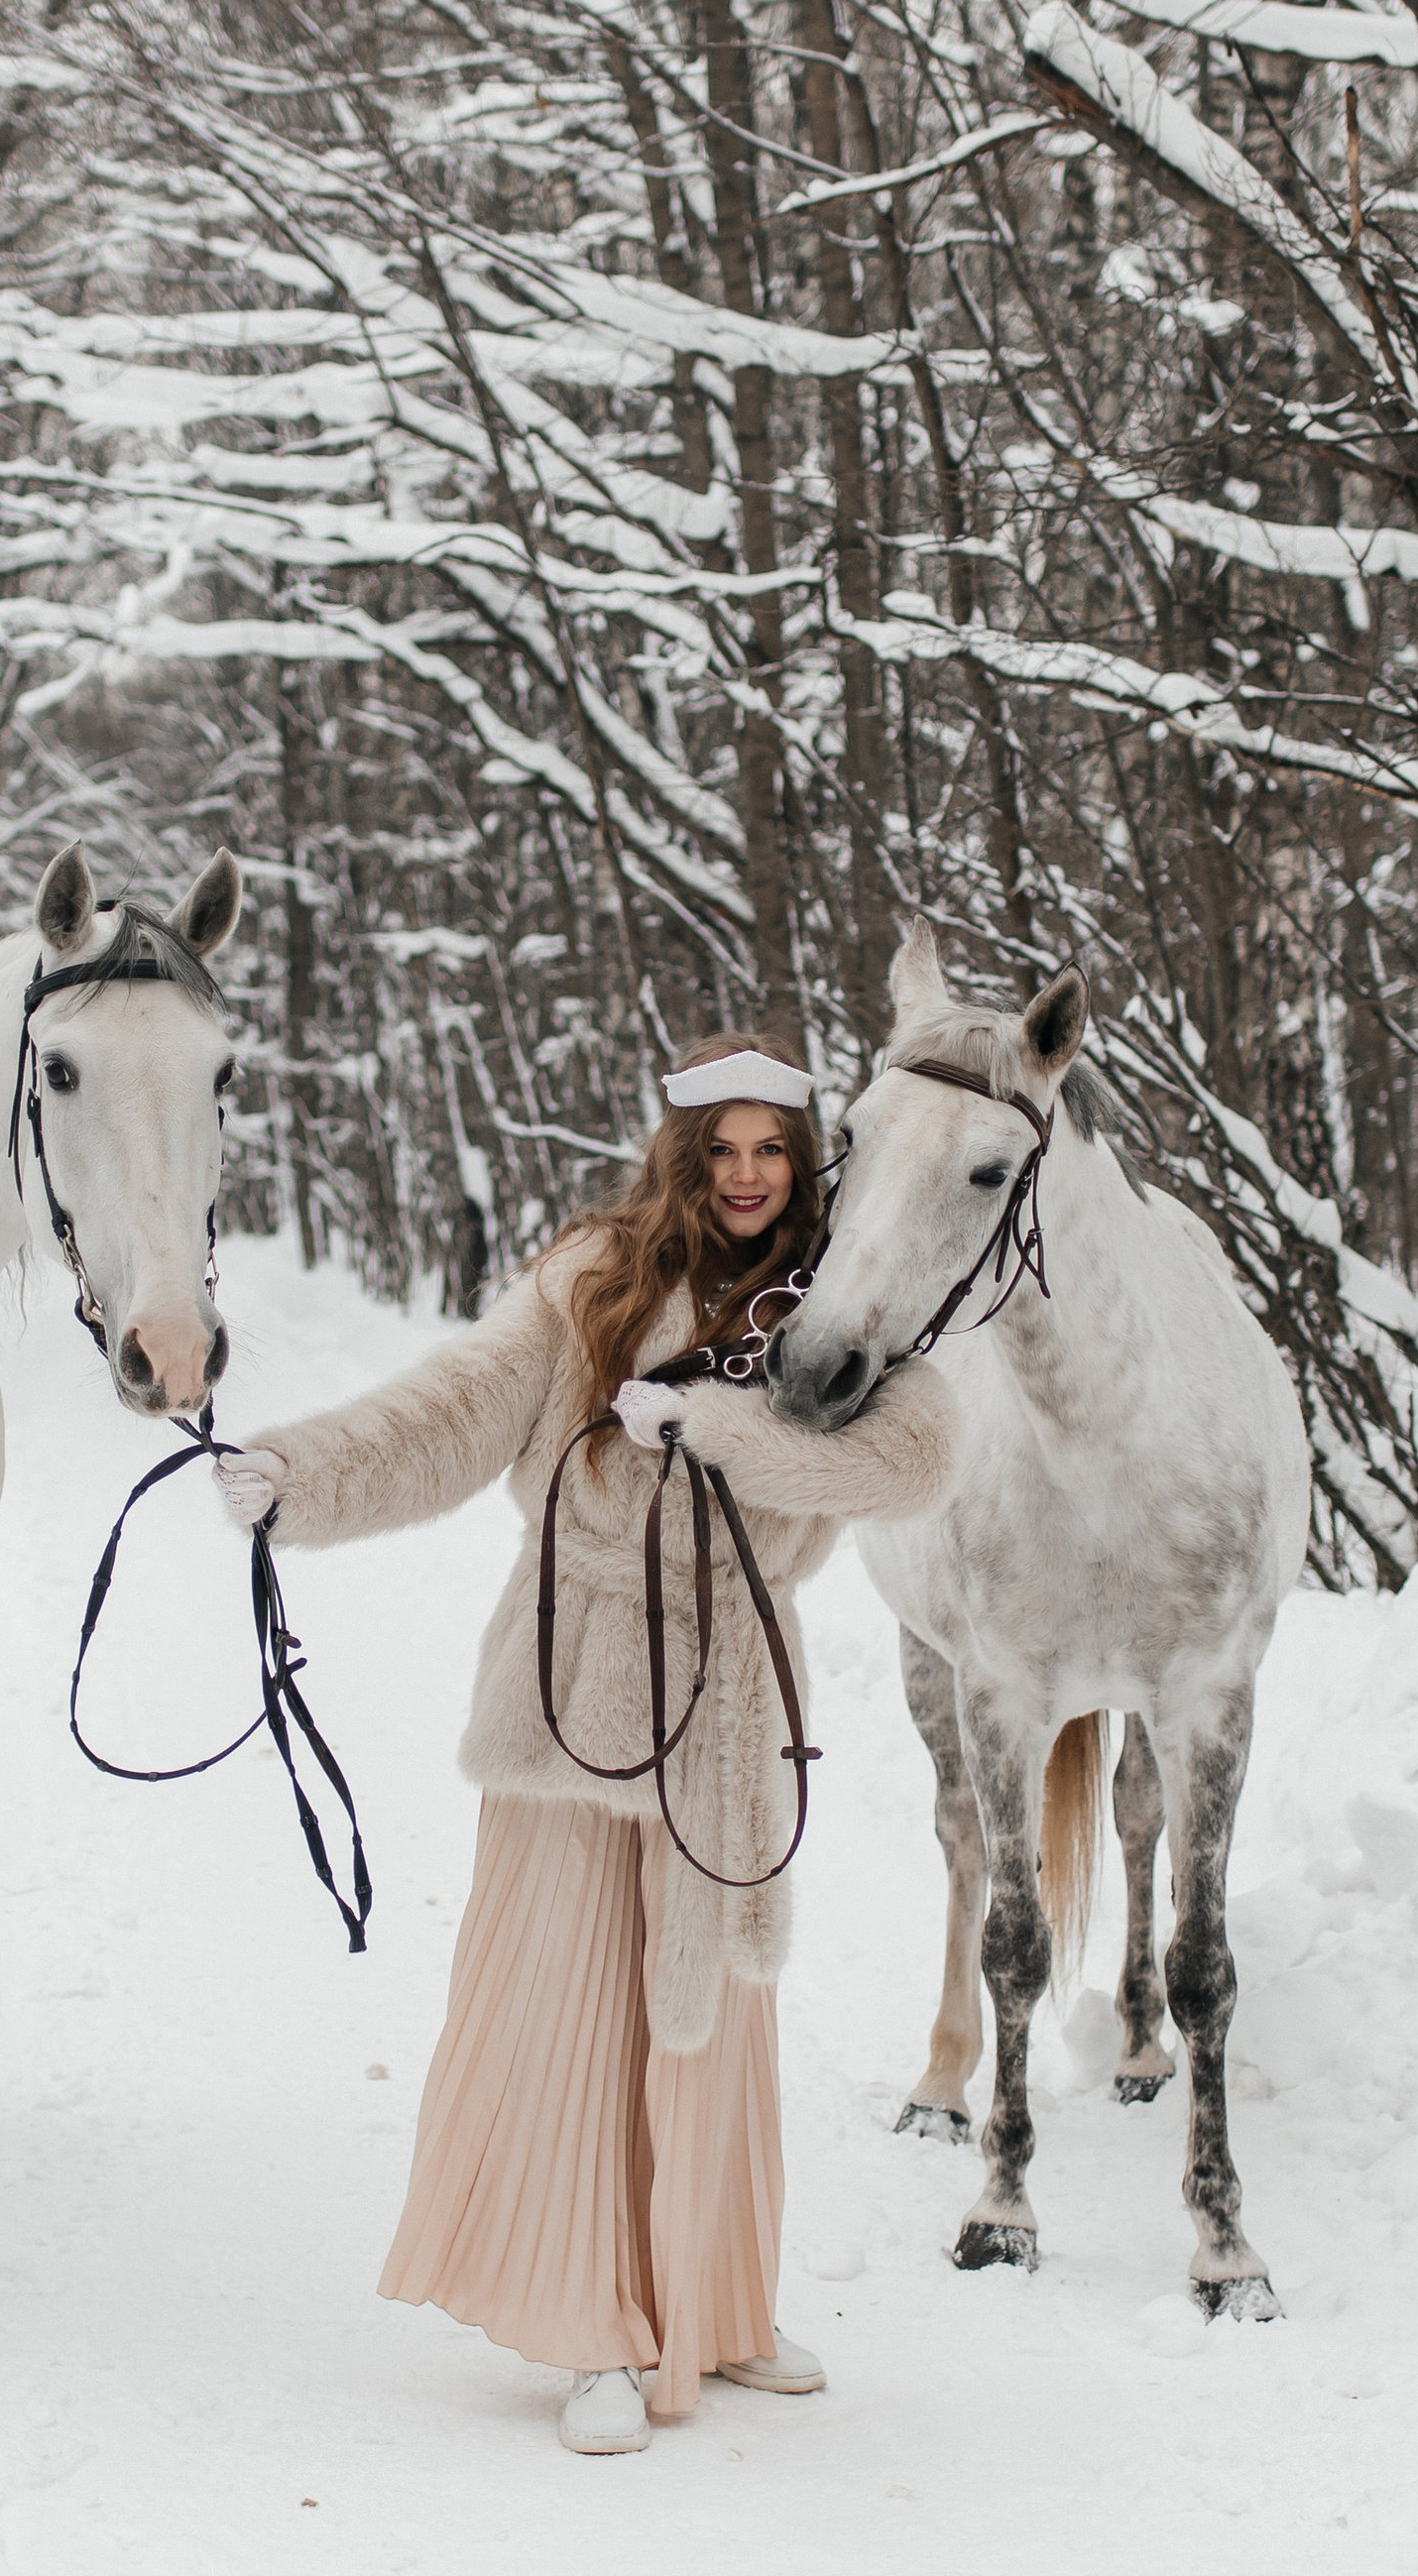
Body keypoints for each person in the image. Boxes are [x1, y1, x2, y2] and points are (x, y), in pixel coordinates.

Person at [213, 1034, 958, 2455]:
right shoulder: (595, 1280)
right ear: (683, 1151)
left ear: (804, 1163)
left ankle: (713, 2304)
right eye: (724, 1147)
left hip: (732, 1694)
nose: (749, 1175)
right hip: (577, 1680)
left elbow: (920, 1454)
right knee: (574, 2005)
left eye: (775, 1149)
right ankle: (588, 2328)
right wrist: (298, 1476)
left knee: (717, 2018)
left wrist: (731, 1433)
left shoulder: (836, 1309)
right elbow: (454, 1409)